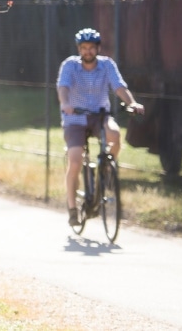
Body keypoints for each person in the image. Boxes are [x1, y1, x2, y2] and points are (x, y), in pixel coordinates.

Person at [57, 27, 143, 227]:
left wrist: (132, 103)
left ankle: (104, 171)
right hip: (75, 118)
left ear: (98, 48)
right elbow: (63, 87)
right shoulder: (70, 65)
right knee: (76, 161)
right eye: (84, 48)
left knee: (115, 135)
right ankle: (72, 209)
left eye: (91, 48)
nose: (88, 52)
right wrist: (65, 104)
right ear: (79, 49)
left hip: (99, 115)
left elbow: (119, 86)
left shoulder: (107, 65)